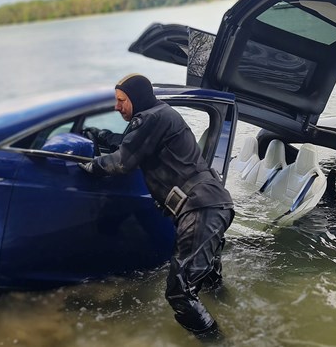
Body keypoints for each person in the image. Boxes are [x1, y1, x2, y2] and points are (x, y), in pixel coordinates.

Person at [79, 74, 235, 338]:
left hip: (200, 210)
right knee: (209, 281)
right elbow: (133, 143)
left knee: (179, 293)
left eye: (121, 101)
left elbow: (121, 162)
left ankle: (220, 343)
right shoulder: (160, 115)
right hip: (213, 205)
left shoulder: (151, 118)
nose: (117, 107)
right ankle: (237, 313)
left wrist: (90, 166)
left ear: (136, 98)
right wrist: (101, 136)